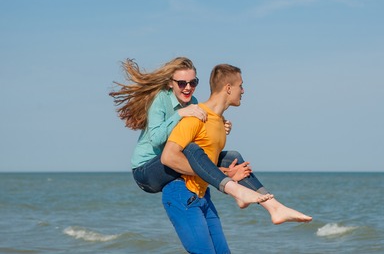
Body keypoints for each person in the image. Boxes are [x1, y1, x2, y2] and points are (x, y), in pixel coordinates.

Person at [110, 57, 311, 222]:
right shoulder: (161, 99)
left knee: (233, 156)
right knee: (191, 149)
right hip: (146, 171)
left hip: (173, 161)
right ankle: (235, 189)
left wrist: (220, 124)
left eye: (193, 82)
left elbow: (202, 141)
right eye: (182, 83)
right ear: (171, 84)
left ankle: (274, 207)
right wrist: (180, 114)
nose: (188, 87)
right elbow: (156, 140)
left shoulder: (194, 103)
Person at [160, 64, 311, 253]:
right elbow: (168, 157)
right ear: (228, 88)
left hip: (202, 194)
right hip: (182, 193)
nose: (243, 90)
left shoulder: (219, 122)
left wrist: (227, 173)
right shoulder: (195, 117)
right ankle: (264, 203)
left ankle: (273, 206)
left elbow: (206, 163)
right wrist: (223, 176)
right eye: (241, 85)